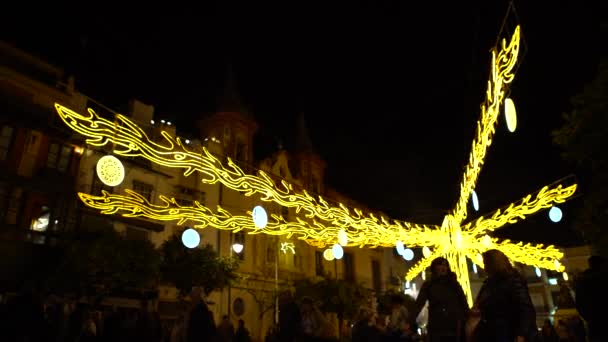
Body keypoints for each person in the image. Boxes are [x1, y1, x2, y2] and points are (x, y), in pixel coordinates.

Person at [471, 249, 537, 342]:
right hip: (492, 332)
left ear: (494, 264)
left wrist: (521, 334)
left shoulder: (512, 281)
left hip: (507, 332)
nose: (484, 267)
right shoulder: (489, 284)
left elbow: (525, 308)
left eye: (486, 264)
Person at [413, 257, 469, 342]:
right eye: (440, 265)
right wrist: (411, 321)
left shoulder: (454, 284)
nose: (443, 267)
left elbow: (463, 302)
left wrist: (466, 319)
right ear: (434, 268)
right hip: (437, 325)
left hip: (454, 325)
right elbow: (419, 304)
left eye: (445, 265)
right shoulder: (429, 285)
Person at [575, 255, 607, 342]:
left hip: (594, 323)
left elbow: (579, 304)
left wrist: (589, 318)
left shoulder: (582, 282)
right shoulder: (602, 278)